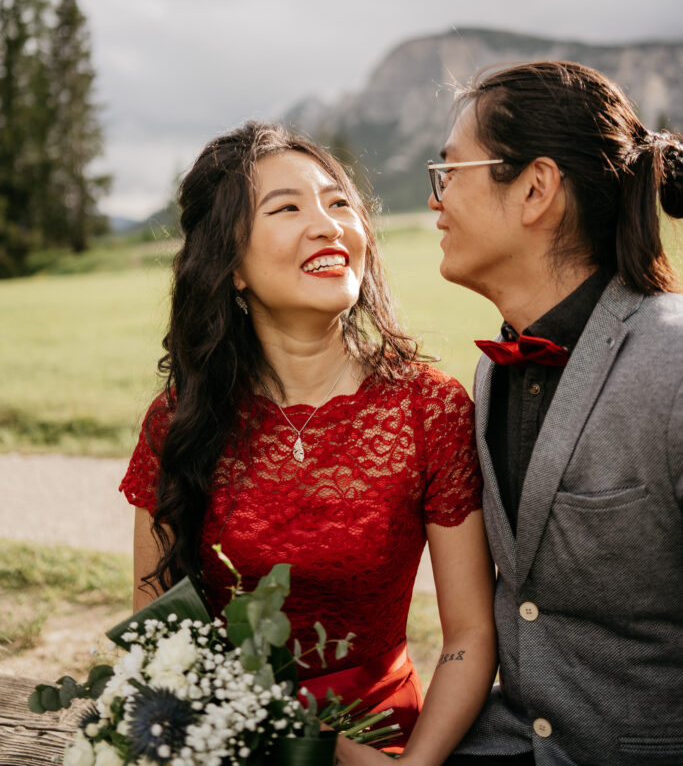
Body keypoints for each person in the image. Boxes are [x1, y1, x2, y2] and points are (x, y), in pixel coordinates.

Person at [120, 122, 496, 764]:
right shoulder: (181, 420)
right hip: (229, 743)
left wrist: (420, 763)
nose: (327, 225)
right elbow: (157, 632)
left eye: (339, 201)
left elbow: (469, 632)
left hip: (385, 742)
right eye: (287, 207)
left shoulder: (426, 406)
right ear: (231, 265)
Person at [426, 61, 683, 766]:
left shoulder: (675, 366)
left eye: (449, 171)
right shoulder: (489, 371)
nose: (434, 200)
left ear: (534, 189)